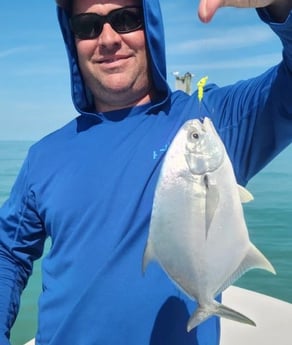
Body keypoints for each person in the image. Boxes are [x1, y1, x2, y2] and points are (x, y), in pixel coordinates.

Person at [0, 0, 291, 344]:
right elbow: (8, 254)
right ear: (72, 38)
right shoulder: (43, 156)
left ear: (150, 25)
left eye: (125, 19)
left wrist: (281, 5)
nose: (107, 39)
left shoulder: (209, 122)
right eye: (87, 26)